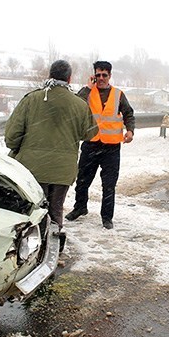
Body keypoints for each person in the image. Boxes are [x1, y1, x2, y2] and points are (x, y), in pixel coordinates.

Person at [4, 60, 97, 249]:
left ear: (49, 75)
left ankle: (30, 250)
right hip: (63, 170)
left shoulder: (31, 100)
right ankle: (53, 249)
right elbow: (90, 133)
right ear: (69, 78)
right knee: (56, 209)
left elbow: (11, 136)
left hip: (33, 168)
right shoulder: (78, 105)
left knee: (34, 210)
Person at [65, 61, 135, 230]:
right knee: (82, 180)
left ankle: (107, 217)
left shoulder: (118, 94)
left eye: (104, 75)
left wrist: (130, 131)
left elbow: (129, 114)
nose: (101, 78)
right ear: (94, 76)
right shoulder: (88, 93)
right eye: (98, 75)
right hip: (91, 144)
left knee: (109, 184)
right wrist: (88, 87)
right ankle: (80, 207)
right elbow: (75, 104)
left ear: (110, 76)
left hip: (111, 148)